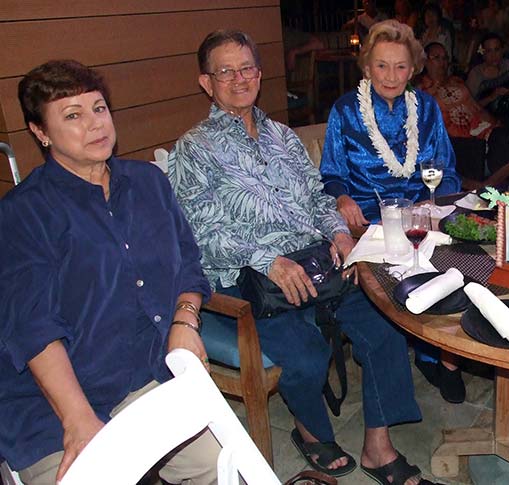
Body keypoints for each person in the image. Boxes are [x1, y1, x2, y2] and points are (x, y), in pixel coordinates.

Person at [168, 29, 439, 485]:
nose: (240, 78)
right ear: (206, 82)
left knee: (385, 319)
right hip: (249, 276)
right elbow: (198, 234)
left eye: (247, 68)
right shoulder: (194, 150)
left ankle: (378, 445)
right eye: (226, 71)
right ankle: (309, 429)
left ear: (259, 72)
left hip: (316, 263)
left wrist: (339, 234)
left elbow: (317, 197)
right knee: (307, 355)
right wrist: (267, 258)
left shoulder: (282, 136)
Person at [0, 60, 218, 485]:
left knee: (221, 464)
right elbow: (32, 328)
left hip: (143, 372)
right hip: (53, 403)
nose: (94, 124)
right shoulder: (22, 215)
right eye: (72, 115)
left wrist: (184, 319)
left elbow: (189, 262)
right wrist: (78, 420)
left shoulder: (148, 182)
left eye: (98, 108)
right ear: (40, 133)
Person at [318, 20, 465, 404]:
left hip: (420, 215)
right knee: (396, 282)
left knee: (457, 269)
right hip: (367, 223)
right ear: (367, 68)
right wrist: (342, 199)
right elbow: (331, 174)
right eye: (382, 65)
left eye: (400, 66)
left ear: (413, 69)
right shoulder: (346, 111)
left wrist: (433, 204)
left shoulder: (427, 109)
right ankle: (413, 349)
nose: (391, 75)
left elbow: (446, 170)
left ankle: (440, 355)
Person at [416, 42, 509, 185]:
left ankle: (500, 191)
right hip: (450, 135)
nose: (442, 62)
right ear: (425, 61)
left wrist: (494, 123)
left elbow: (474, 106)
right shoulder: (421, 88)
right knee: (470, 146)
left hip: (475, 128)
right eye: (436, 58)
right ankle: (475, 193)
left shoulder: (456, 80)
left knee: (500, 135)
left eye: (445, 58)